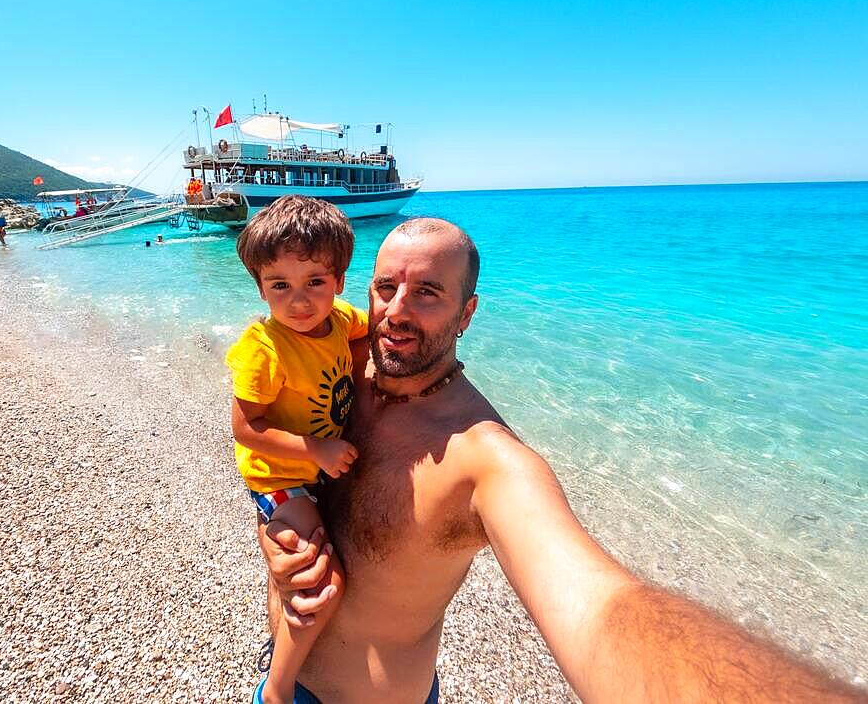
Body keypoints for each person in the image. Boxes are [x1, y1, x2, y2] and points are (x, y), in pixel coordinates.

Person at [257, 218, 864, 703]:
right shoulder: (337, 366)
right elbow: (267, 462)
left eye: (428, 294)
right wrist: (276, 541)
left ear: (468, 314)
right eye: (386, 287)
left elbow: (601, 608)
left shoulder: (486, 460)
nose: (396, 311)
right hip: (278, 675)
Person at [226, 196, 367, 704]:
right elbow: (245, 428)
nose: (299, 302)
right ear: (261, 288)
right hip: (280, 476)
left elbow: (369, 332)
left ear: (339, 282)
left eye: (315, 283)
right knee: (319, 582)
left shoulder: (342, 319)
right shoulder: (265, 348)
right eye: (279, 285)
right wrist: (316, 451)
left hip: (314, 465)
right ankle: (279, 688)